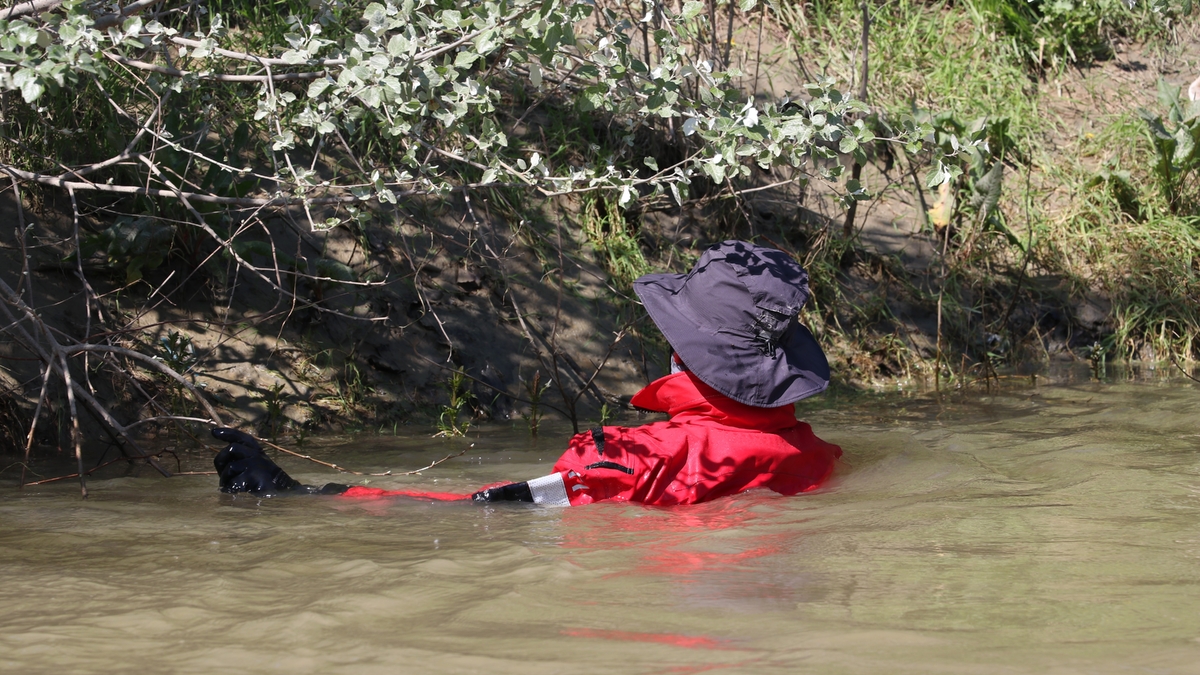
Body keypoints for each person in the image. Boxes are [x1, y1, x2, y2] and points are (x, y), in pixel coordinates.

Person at [213, 240, 842, 506]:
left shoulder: (629, 458)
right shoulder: (815, 456)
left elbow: (482, 512)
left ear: (686, 355)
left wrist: (299, 496)